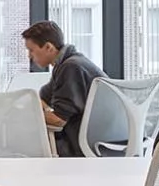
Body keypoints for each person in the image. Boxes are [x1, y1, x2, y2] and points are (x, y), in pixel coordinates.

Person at [22, 20, 104, 158]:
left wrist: (24, 116)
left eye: (31, 50)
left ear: (48, 47)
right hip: (99, 140)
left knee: (23, 144)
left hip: (84, 144)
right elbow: (42, 97)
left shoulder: (71, 67)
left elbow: (58, 119)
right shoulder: (69, 63)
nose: (29, 56)